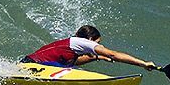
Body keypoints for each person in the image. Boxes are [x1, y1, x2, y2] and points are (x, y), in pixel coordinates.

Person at [21, 25, 156, 70]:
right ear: (91, 40)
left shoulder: (71, 45)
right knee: (67, 70)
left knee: (68, 66)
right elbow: (114, 54)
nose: (98, 46)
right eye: (98, 43)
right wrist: (143, 63)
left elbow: (75, 61)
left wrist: (98, 57)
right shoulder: (84, 42)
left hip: (28, 65)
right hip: (36, 67)